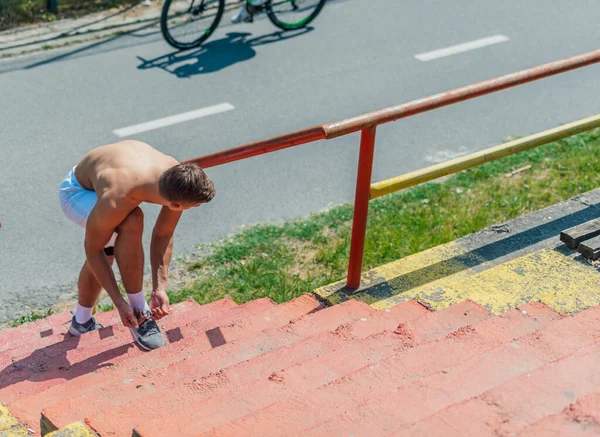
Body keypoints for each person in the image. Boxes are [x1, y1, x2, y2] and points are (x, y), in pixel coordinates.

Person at [59, 140, 215, 350]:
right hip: (77, 192)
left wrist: (160, 287)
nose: (195, 208)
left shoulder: (176, 176)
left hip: (110, 175)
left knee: (113, 246)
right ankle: (139, 312)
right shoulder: (118, 196)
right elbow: (93, 250)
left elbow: (163, 233)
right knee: (129, 223)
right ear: (176, 205)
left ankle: (82, 320)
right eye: (194, 206)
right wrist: (120, 303)